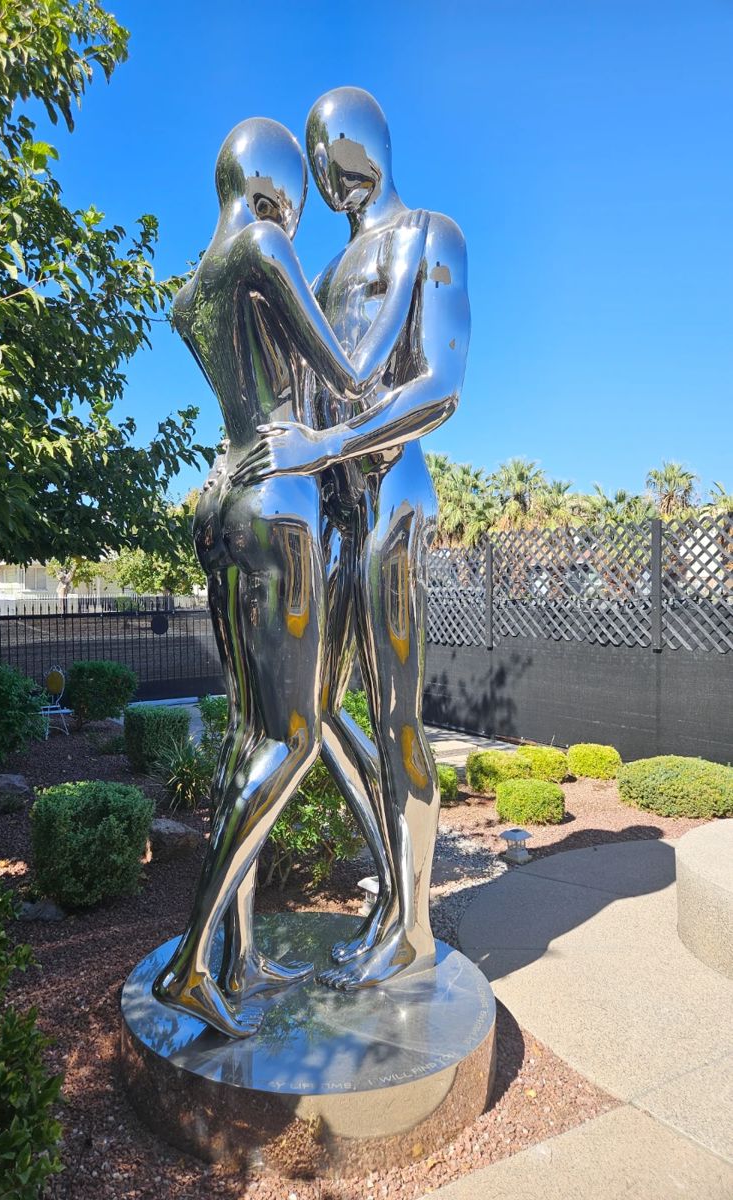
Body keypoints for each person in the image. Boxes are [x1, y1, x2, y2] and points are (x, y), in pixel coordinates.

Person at [153, 116, 420, 1036]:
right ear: (276, 184)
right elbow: (347, 376)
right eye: (300, 184)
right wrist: (401, 290)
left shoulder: (191, 291)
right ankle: (192, 962)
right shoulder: (266, 245)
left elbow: (243, 394)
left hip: (220, 499)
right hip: (281, 505)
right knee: (297, 739)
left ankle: (239, 955)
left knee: (244, 733)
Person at [237, 87, 470, 989]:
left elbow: (439, 385)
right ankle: (397, 889)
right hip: (330, 508)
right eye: (312, 152)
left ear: (365, 141)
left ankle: (413, 930)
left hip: (392, 493)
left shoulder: (431, 235)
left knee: (396, 712)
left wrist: (329, 445)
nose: (322, 169)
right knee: (319, 713)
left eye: (330, 146)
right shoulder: (328, 270)